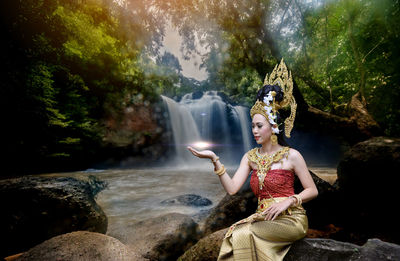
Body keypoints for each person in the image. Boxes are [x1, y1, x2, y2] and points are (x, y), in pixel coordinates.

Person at [187, 59, 318, 261]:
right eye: (252, 126)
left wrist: (289, 202)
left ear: (273, 127)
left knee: (243, 234)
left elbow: (312, 190)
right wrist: (215, 159)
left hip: (291, 219)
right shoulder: (250, 157)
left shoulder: (292, 155)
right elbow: (232, 189)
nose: (254, 131)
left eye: (259, 126)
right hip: (263, 218)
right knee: (233, 236)